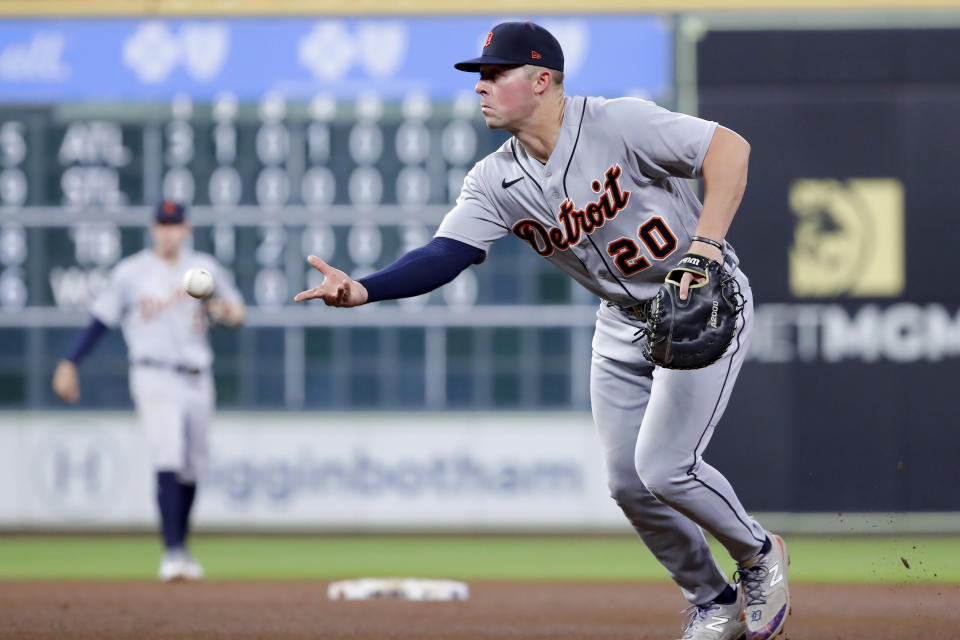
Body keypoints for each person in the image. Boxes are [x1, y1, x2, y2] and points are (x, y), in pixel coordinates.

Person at [294, 21, 790, 640]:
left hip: (699, 298)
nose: (481, 88)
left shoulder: (617, 123)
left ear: (542, 79)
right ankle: (712, 600)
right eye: (479, 77)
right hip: (620, 324)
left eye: (495, 75)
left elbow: (729, 150)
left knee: (665, 467)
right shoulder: (494, 181)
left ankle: (758, 554)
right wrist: (366, 287)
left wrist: (708, 248)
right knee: (626, 482)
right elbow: (445, 253)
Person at [52, 200, 245, 582]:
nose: (168, 231)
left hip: (197, 375)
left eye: (174, 224)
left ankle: (181, 547)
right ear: (153, 228)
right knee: (168, 453)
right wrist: (70, 361)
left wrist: (221, 311)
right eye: (162, 224)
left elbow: (237, 313)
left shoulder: (205, 267)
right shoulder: (131, 272)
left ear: (186, 228)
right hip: (153, 374)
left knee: (192, 466)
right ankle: (172, 552)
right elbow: (100, 321)